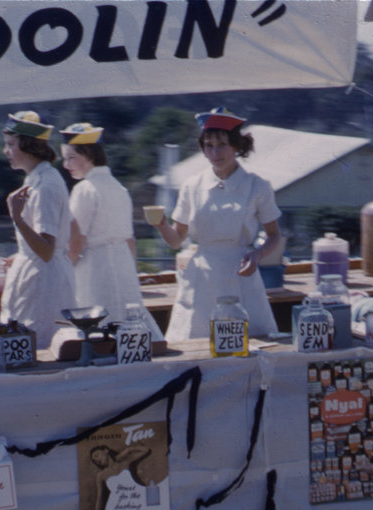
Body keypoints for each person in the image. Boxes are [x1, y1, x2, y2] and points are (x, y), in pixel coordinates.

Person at [147, 107, 282, 342]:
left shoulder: (257, 186)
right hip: (201, 277)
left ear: (236, 146)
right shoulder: (192, 185)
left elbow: (274, 236)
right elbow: (176, 240)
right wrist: (161, 225)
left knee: (247, 344)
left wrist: (257, 255)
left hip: (241, 273)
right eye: (208, 145)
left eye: (222, 145)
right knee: (196, 343)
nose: (215, 152)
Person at [60, 122, 164, 342]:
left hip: (96, 268)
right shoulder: (119, 187)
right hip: (122, 263)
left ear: (89, 155)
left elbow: (76, 242)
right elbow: (130, 240)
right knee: (130, 324)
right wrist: (131, 273)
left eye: (71, 158)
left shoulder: (84, 189)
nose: (66, 164)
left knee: (99, 329)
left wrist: (64, 274)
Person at [1, 111, 75, 349]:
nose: (5, 151)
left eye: (11, 144)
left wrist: (17, 218)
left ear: (28, 146)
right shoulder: (37, 178)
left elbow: (46, 250)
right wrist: (20, 254)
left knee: (39, 345)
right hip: (37, 274)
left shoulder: (45, 186)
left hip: (44, 281)